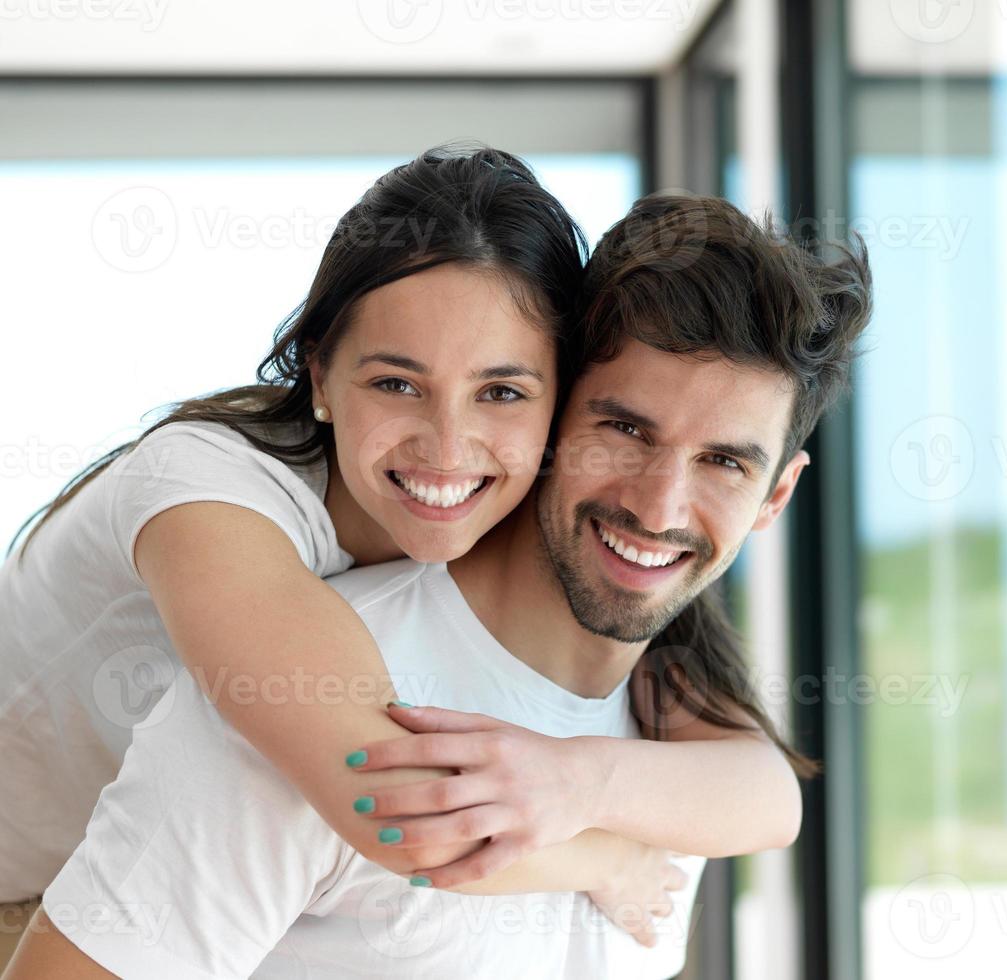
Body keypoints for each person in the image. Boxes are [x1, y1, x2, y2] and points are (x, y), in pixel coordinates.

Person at [1, 191, 872, 978]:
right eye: (624, 429)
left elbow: (770, 797)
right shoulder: (274, 657)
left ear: (776, 495)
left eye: (723, 461)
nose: (659, 505)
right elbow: (392, 801)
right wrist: (610, 855)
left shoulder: (665, 758)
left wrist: (595, 793)